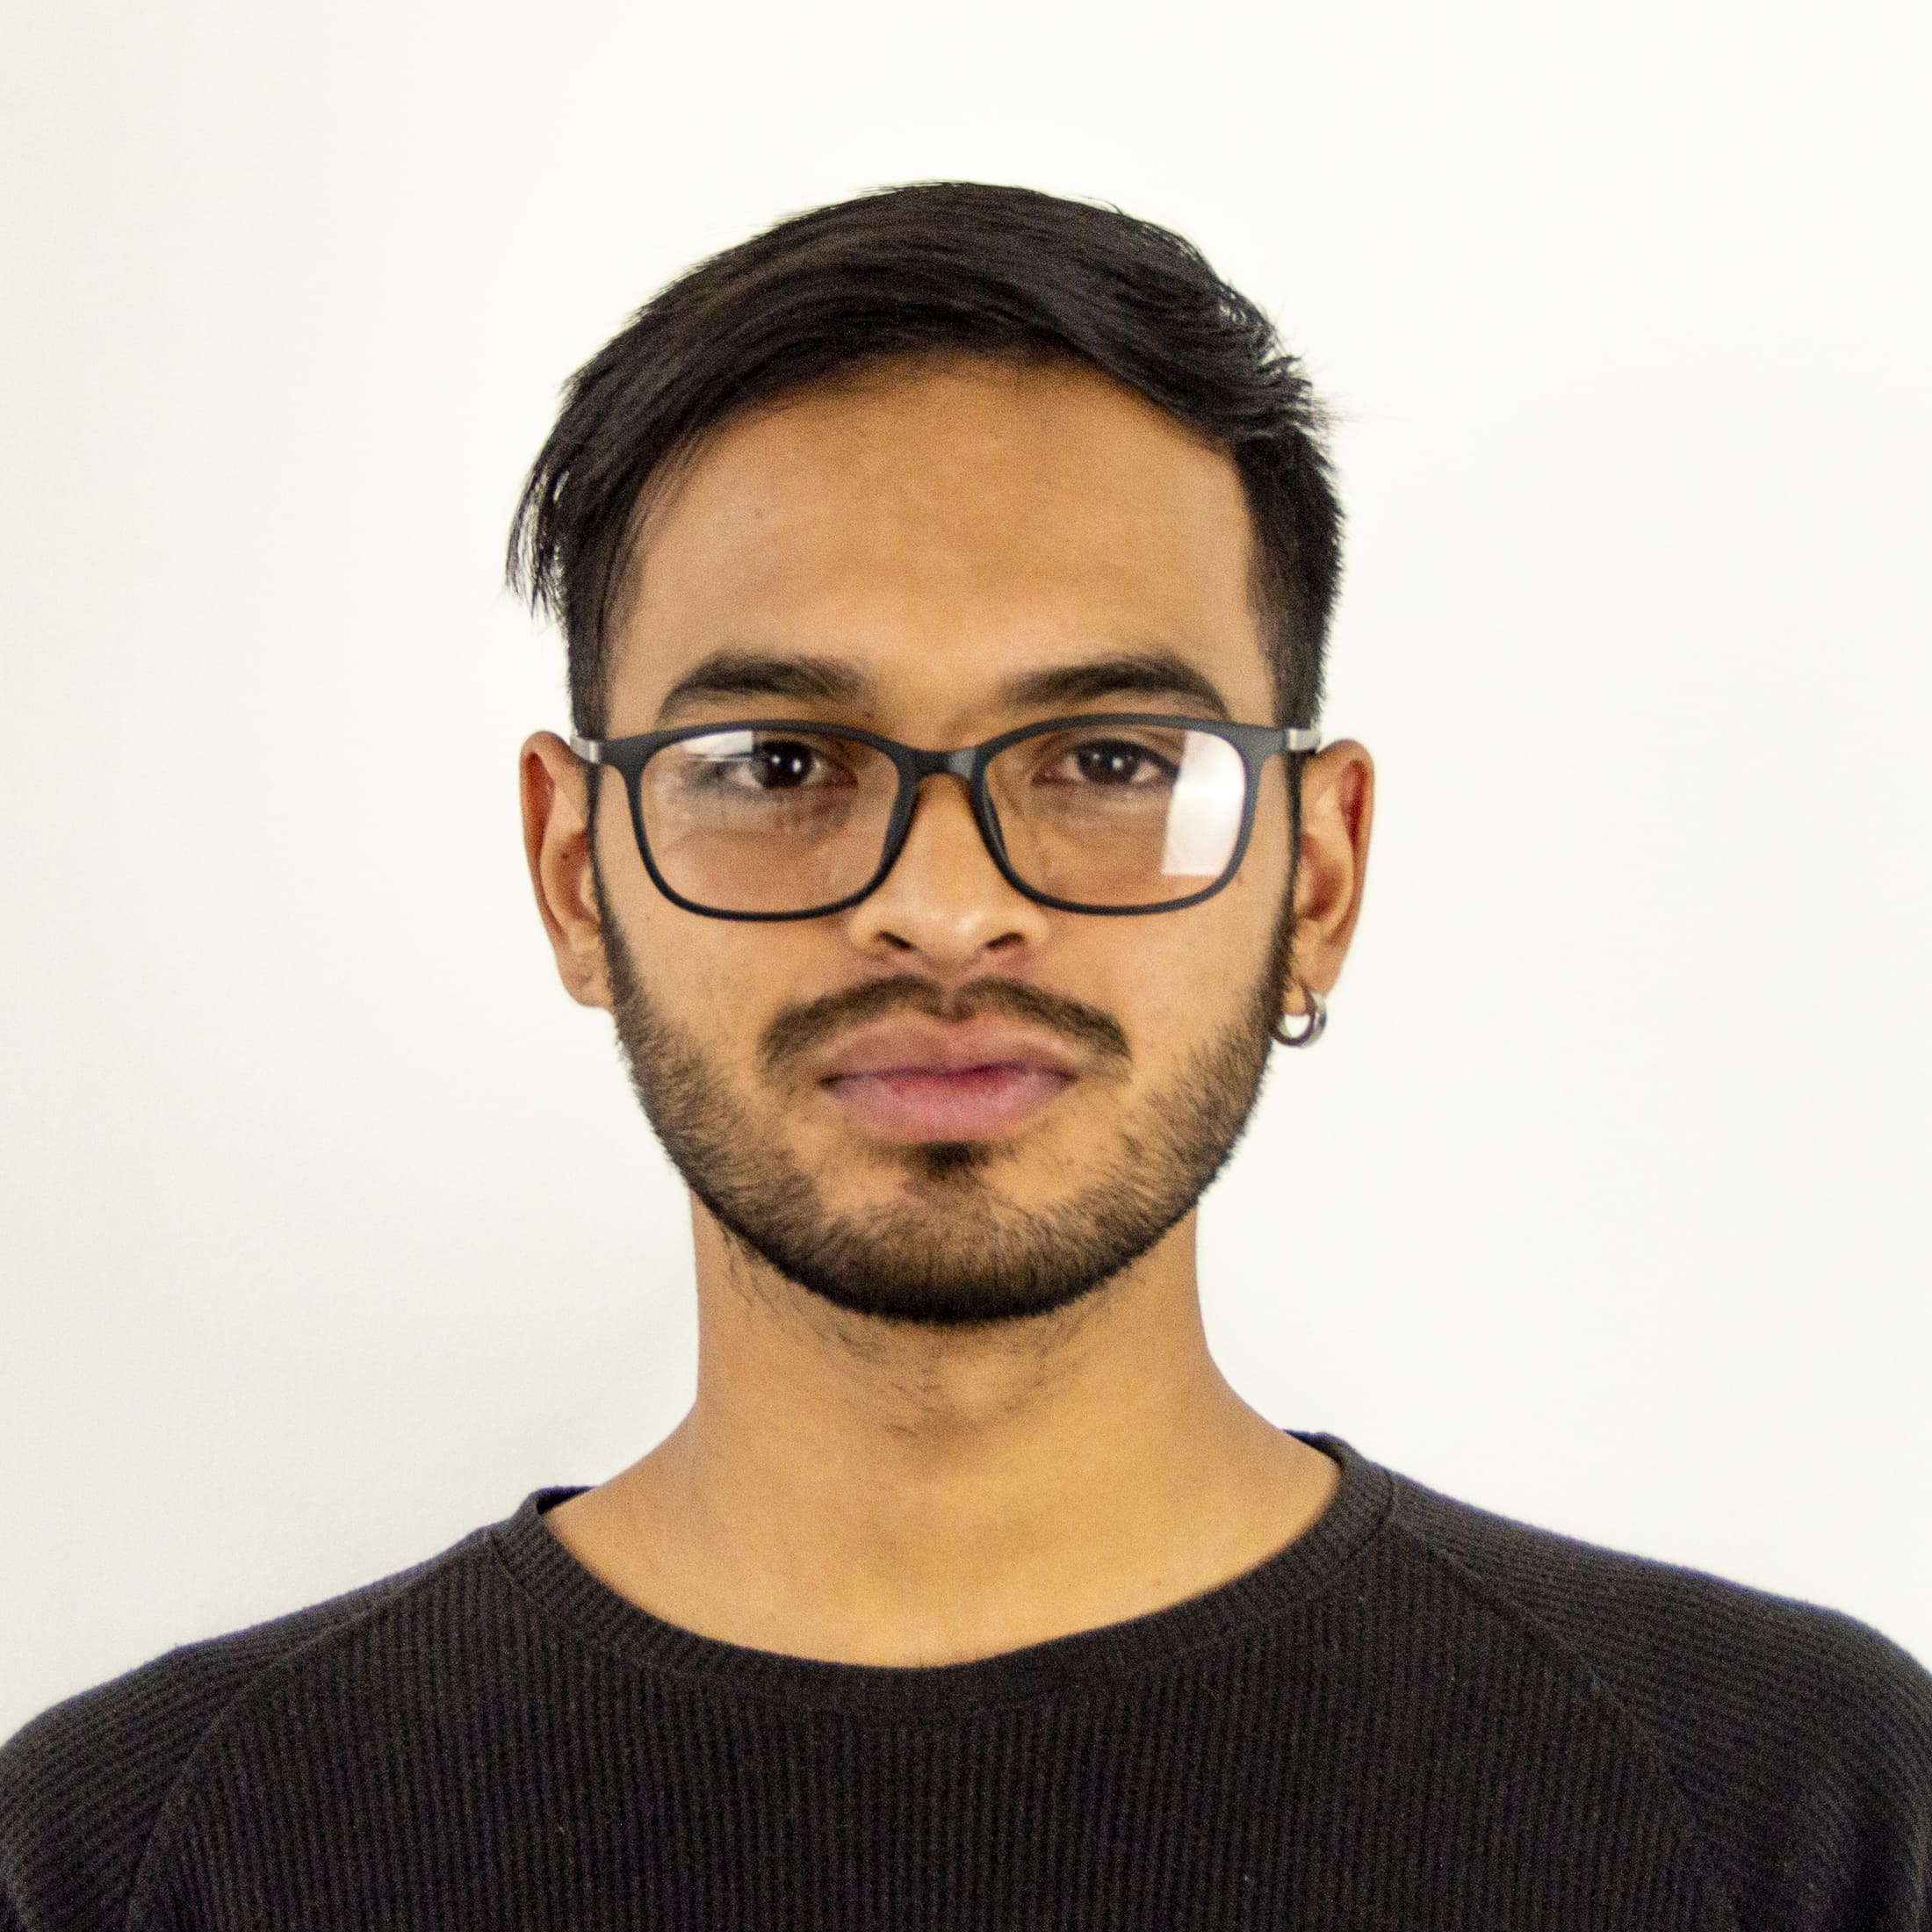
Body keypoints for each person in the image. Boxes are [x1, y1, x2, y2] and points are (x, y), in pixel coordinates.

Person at [3, 181, 1927, 1932]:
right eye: (777, 763)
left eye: (1111, 760)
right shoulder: (134, 1858)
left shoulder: (1792, 1815)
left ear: (1317, 875)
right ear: (576, 874)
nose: (942, 907)